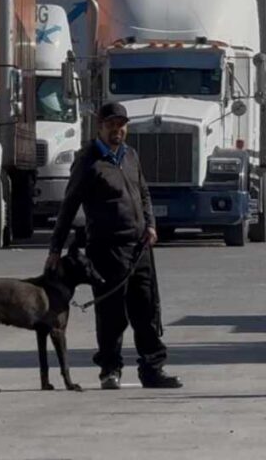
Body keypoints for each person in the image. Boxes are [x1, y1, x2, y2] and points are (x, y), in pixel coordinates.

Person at [45, 102, 182, 390]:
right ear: (100, 127)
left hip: (139, 247)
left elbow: (143, 192)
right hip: (106, 249)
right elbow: (69, 206)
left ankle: (152, 369)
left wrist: (151, 225)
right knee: (111, 315)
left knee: (146, 311)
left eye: (121, 125)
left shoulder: (130, 155)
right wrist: (55, 249)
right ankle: (110, 369)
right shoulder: (89, 161)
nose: (117, 130)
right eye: (111, 125)